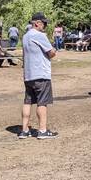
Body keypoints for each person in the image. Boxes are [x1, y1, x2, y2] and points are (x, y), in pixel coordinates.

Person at [19, 12, 58, 140]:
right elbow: (51, 53)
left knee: (27, 102)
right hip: (41, 74)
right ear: (37, 23)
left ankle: (24, 130)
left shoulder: (25, 36)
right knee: (42, 102)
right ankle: (42, 130)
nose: (45, 26)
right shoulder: (39, 35)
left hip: (28, 74)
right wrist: (54, 50)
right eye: (44, 23)